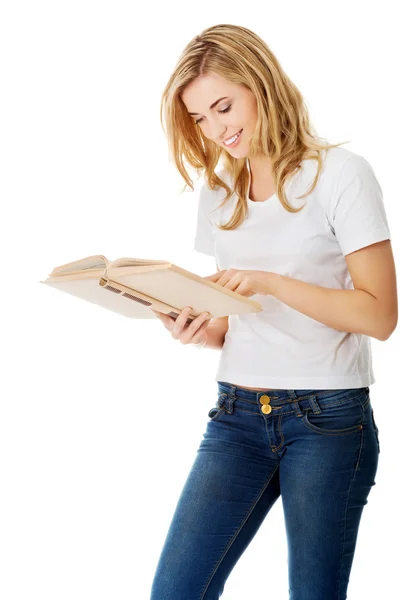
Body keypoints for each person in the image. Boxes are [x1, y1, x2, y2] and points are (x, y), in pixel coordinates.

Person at [149, 23, 397, 599]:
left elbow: (381, 316)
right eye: (200, 119)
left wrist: (273, 283)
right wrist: (196, 327)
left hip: (327, 420)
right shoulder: (220, 190)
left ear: (260, 83)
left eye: (223, 106)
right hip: (236, 414)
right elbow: (235, 324)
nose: (216, 129)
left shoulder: (341, 174)